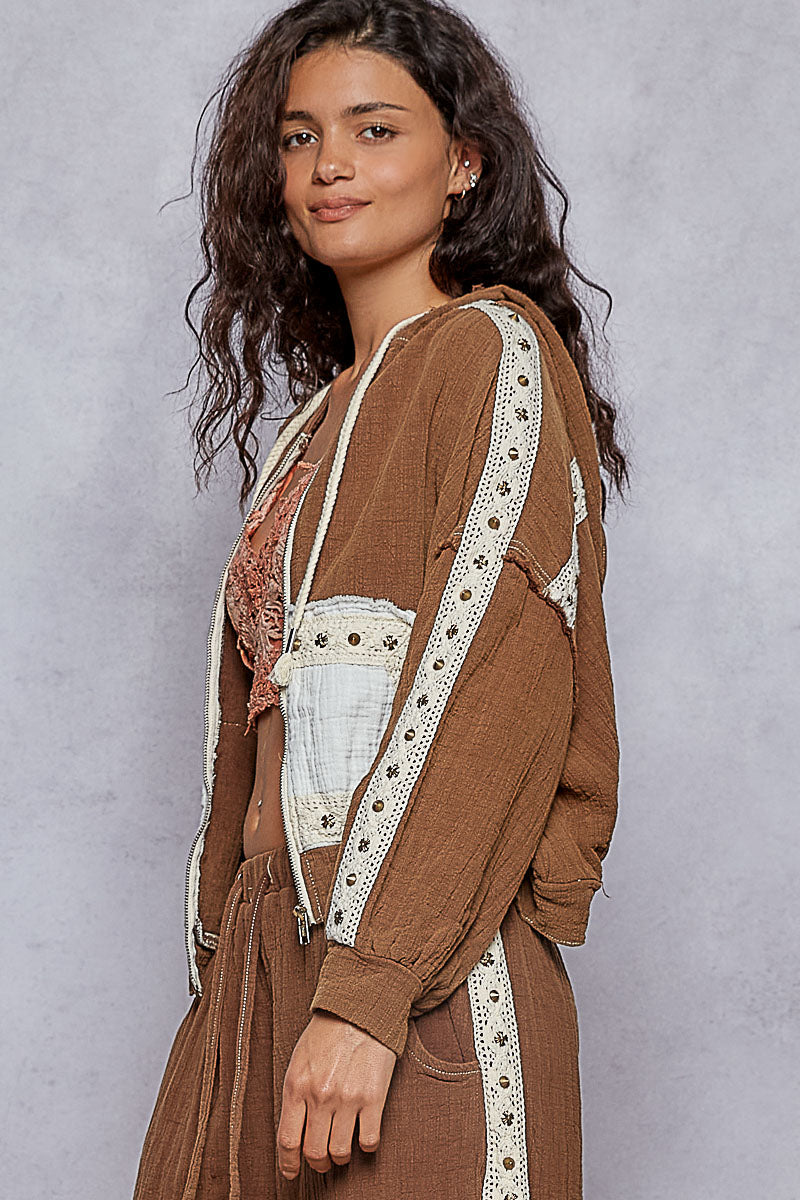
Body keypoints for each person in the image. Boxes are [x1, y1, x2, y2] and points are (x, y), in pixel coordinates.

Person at [133, 1, 629, 1197]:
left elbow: (489, 688)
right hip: (266, 972)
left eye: (373, 128)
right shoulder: (315, 425)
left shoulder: (484, 352)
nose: (329, 166)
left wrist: (364, 997)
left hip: (413, 989)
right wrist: (228, 976)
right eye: (299, 138)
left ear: (463, 164)